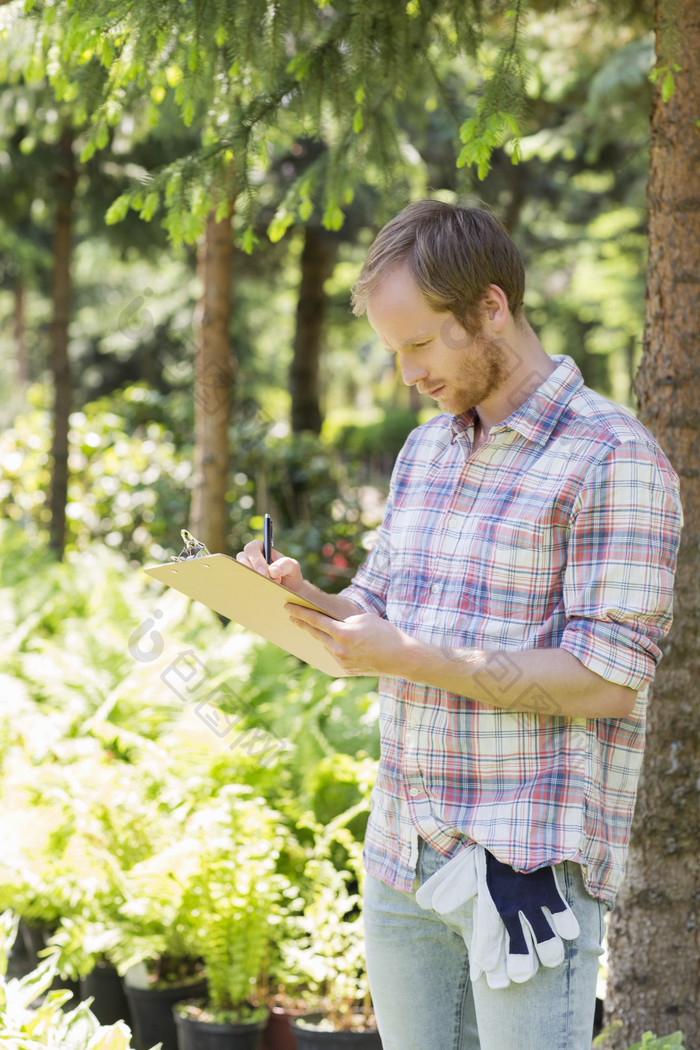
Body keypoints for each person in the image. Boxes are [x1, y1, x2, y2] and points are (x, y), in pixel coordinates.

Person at [237, 200, 683, 1050]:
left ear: (489, 308)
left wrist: (403, 654)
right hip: (402, 857)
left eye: (419, 343)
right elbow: (383, 613)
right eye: (392, 350)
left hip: (522, 873)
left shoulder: (612, 459)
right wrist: (305, 600)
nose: (407, 372)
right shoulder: (428, 450)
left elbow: (606, 681)